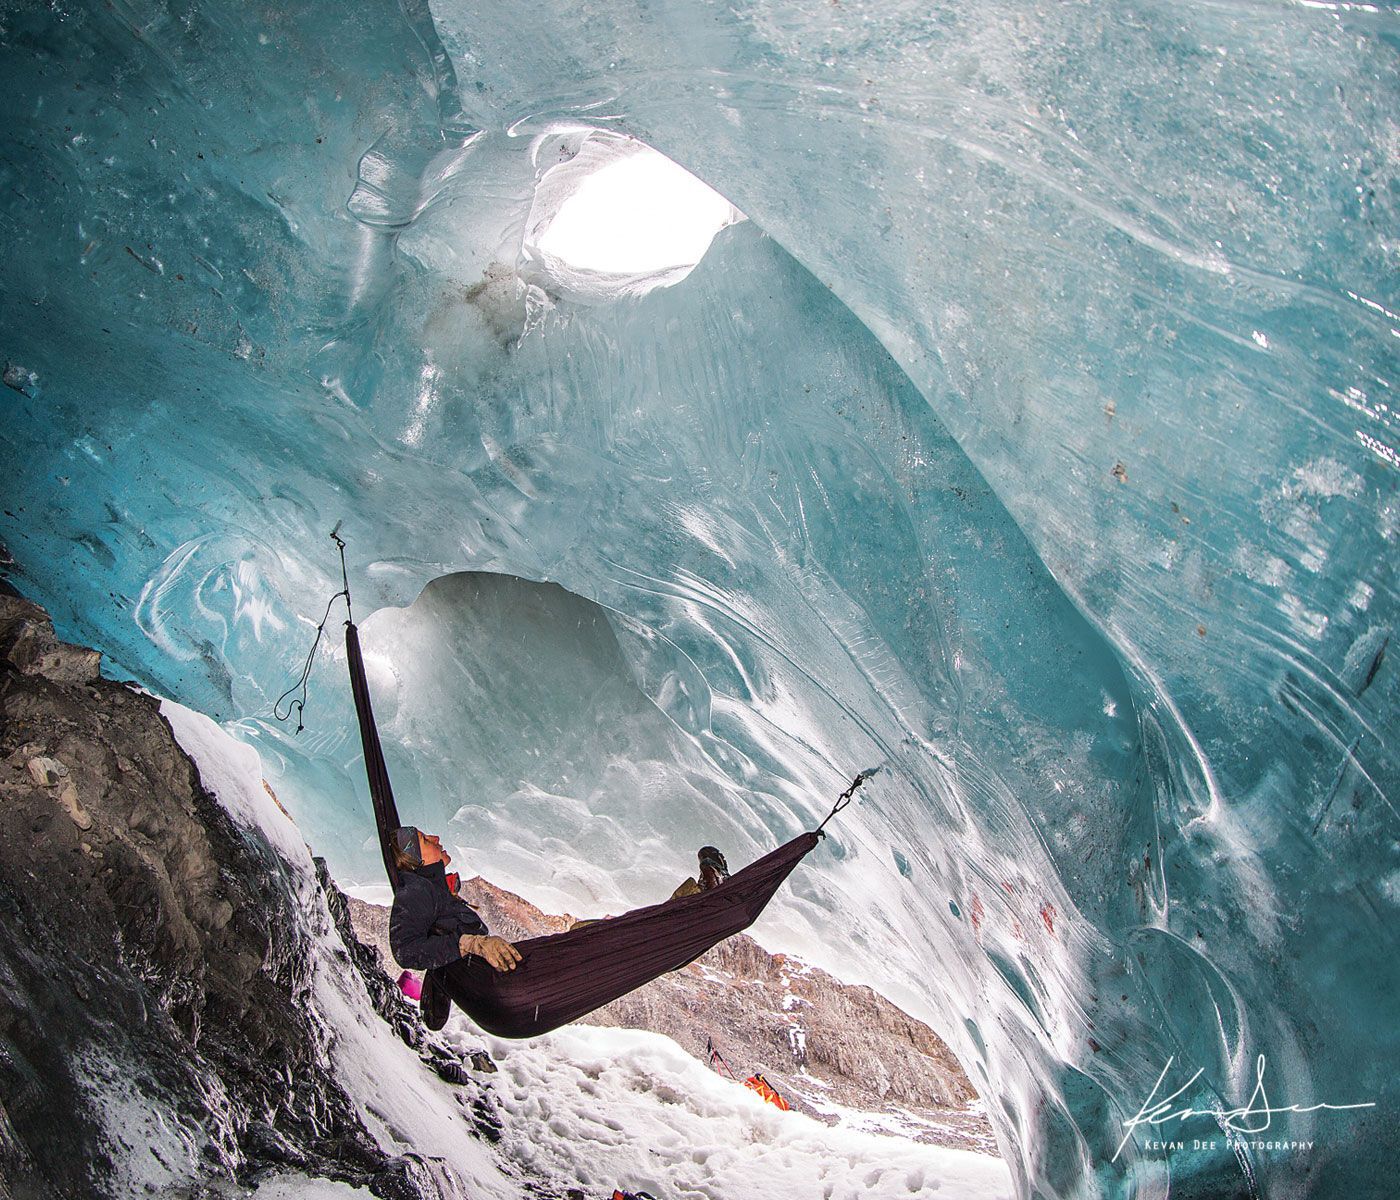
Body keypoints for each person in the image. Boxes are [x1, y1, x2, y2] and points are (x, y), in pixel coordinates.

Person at [388, 826, 522, 974]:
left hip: (478, 975)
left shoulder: (431, 888)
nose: (435, 838)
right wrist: (468, 944)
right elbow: (405, 951)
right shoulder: (417, 889)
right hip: (477, 979)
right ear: (416, 860)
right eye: (425, 840)